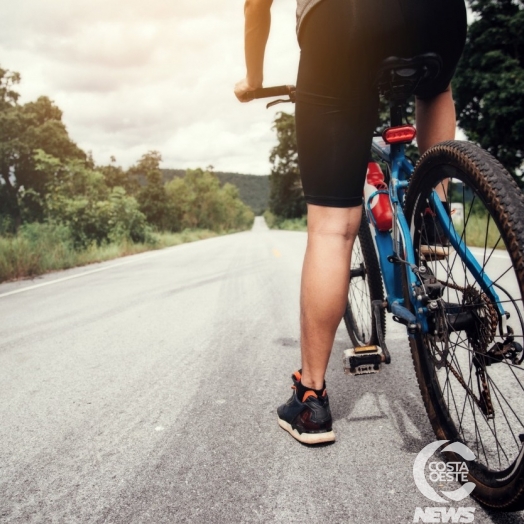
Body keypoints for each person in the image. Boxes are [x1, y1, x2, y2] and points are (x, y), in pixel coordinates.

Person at [235, 0, 467, 445]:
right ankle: (434, 216)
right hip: (439, 15)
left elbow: (255, 6)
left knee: (332, 228)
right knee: (436, 86)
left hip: (344, 20)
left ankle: (311, 400)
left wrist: (254, 80)